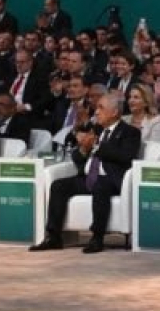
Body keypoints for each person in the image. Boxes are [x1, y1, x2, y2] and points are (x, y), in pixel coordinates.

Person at [29, 93, 141, 253]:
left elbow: (125, 156)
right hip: (88, 177)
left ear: (115, 112)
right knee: (58, 185)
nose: (96, 112)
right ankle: (54, 237)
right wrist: (83, 148)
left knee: (100, 185)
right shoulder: (96, 130)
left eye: (101, 108)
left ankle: (97, 238)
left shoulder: (130, 132)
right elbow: (76, 158)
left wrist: (96, 146)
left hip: (111, 180)